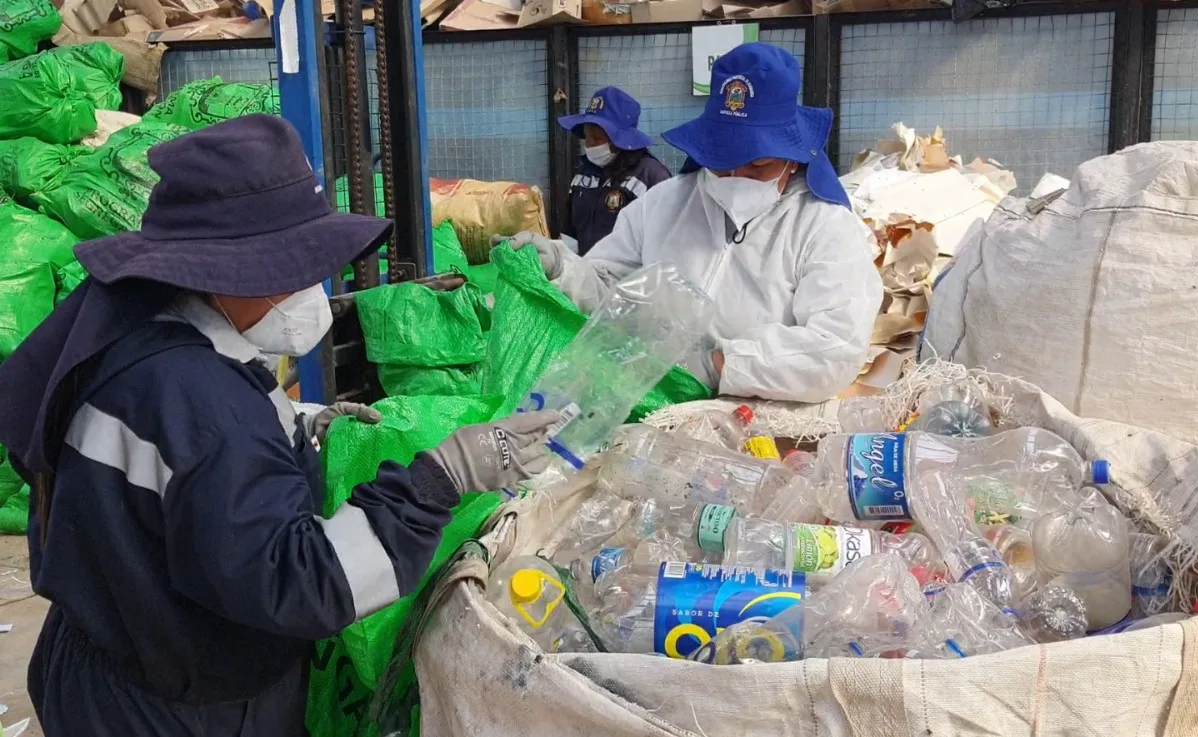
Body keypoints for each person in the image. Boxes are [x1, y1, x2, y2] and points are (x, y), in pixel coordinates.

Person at [0, 115, 558, 736]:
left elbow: (170, 467)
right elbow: (306, 585)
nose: (307, 291)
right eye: (293, 272)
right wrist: (439, 480)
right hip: (177, 704)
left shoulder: (122, 323)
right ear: (224, 272)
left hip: (108, 651)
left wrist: (296, 424)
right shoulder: (202, 400)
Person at [504, 44, 882, 404]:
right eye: (720, 161)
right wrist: (562, 269)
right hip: (646, 396)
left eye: (757, 165)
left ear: (793, 158)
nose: (734, 176)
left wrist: (717, 366)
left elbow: (835, 347)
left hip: (751, 412)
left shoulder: (823, 227)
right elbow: (609, 289)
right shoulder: (664, 204)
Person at [554, 86, 670, 254]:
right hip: (584, 269)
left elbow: (666, 243)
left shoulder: (650, 177)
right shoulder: (583, 175)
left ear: (620, 140)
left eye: (597, 137)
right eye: (586, 136)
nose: (589, 144)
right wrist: (562, 261)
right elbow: (570, 235)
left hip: (633, 270)